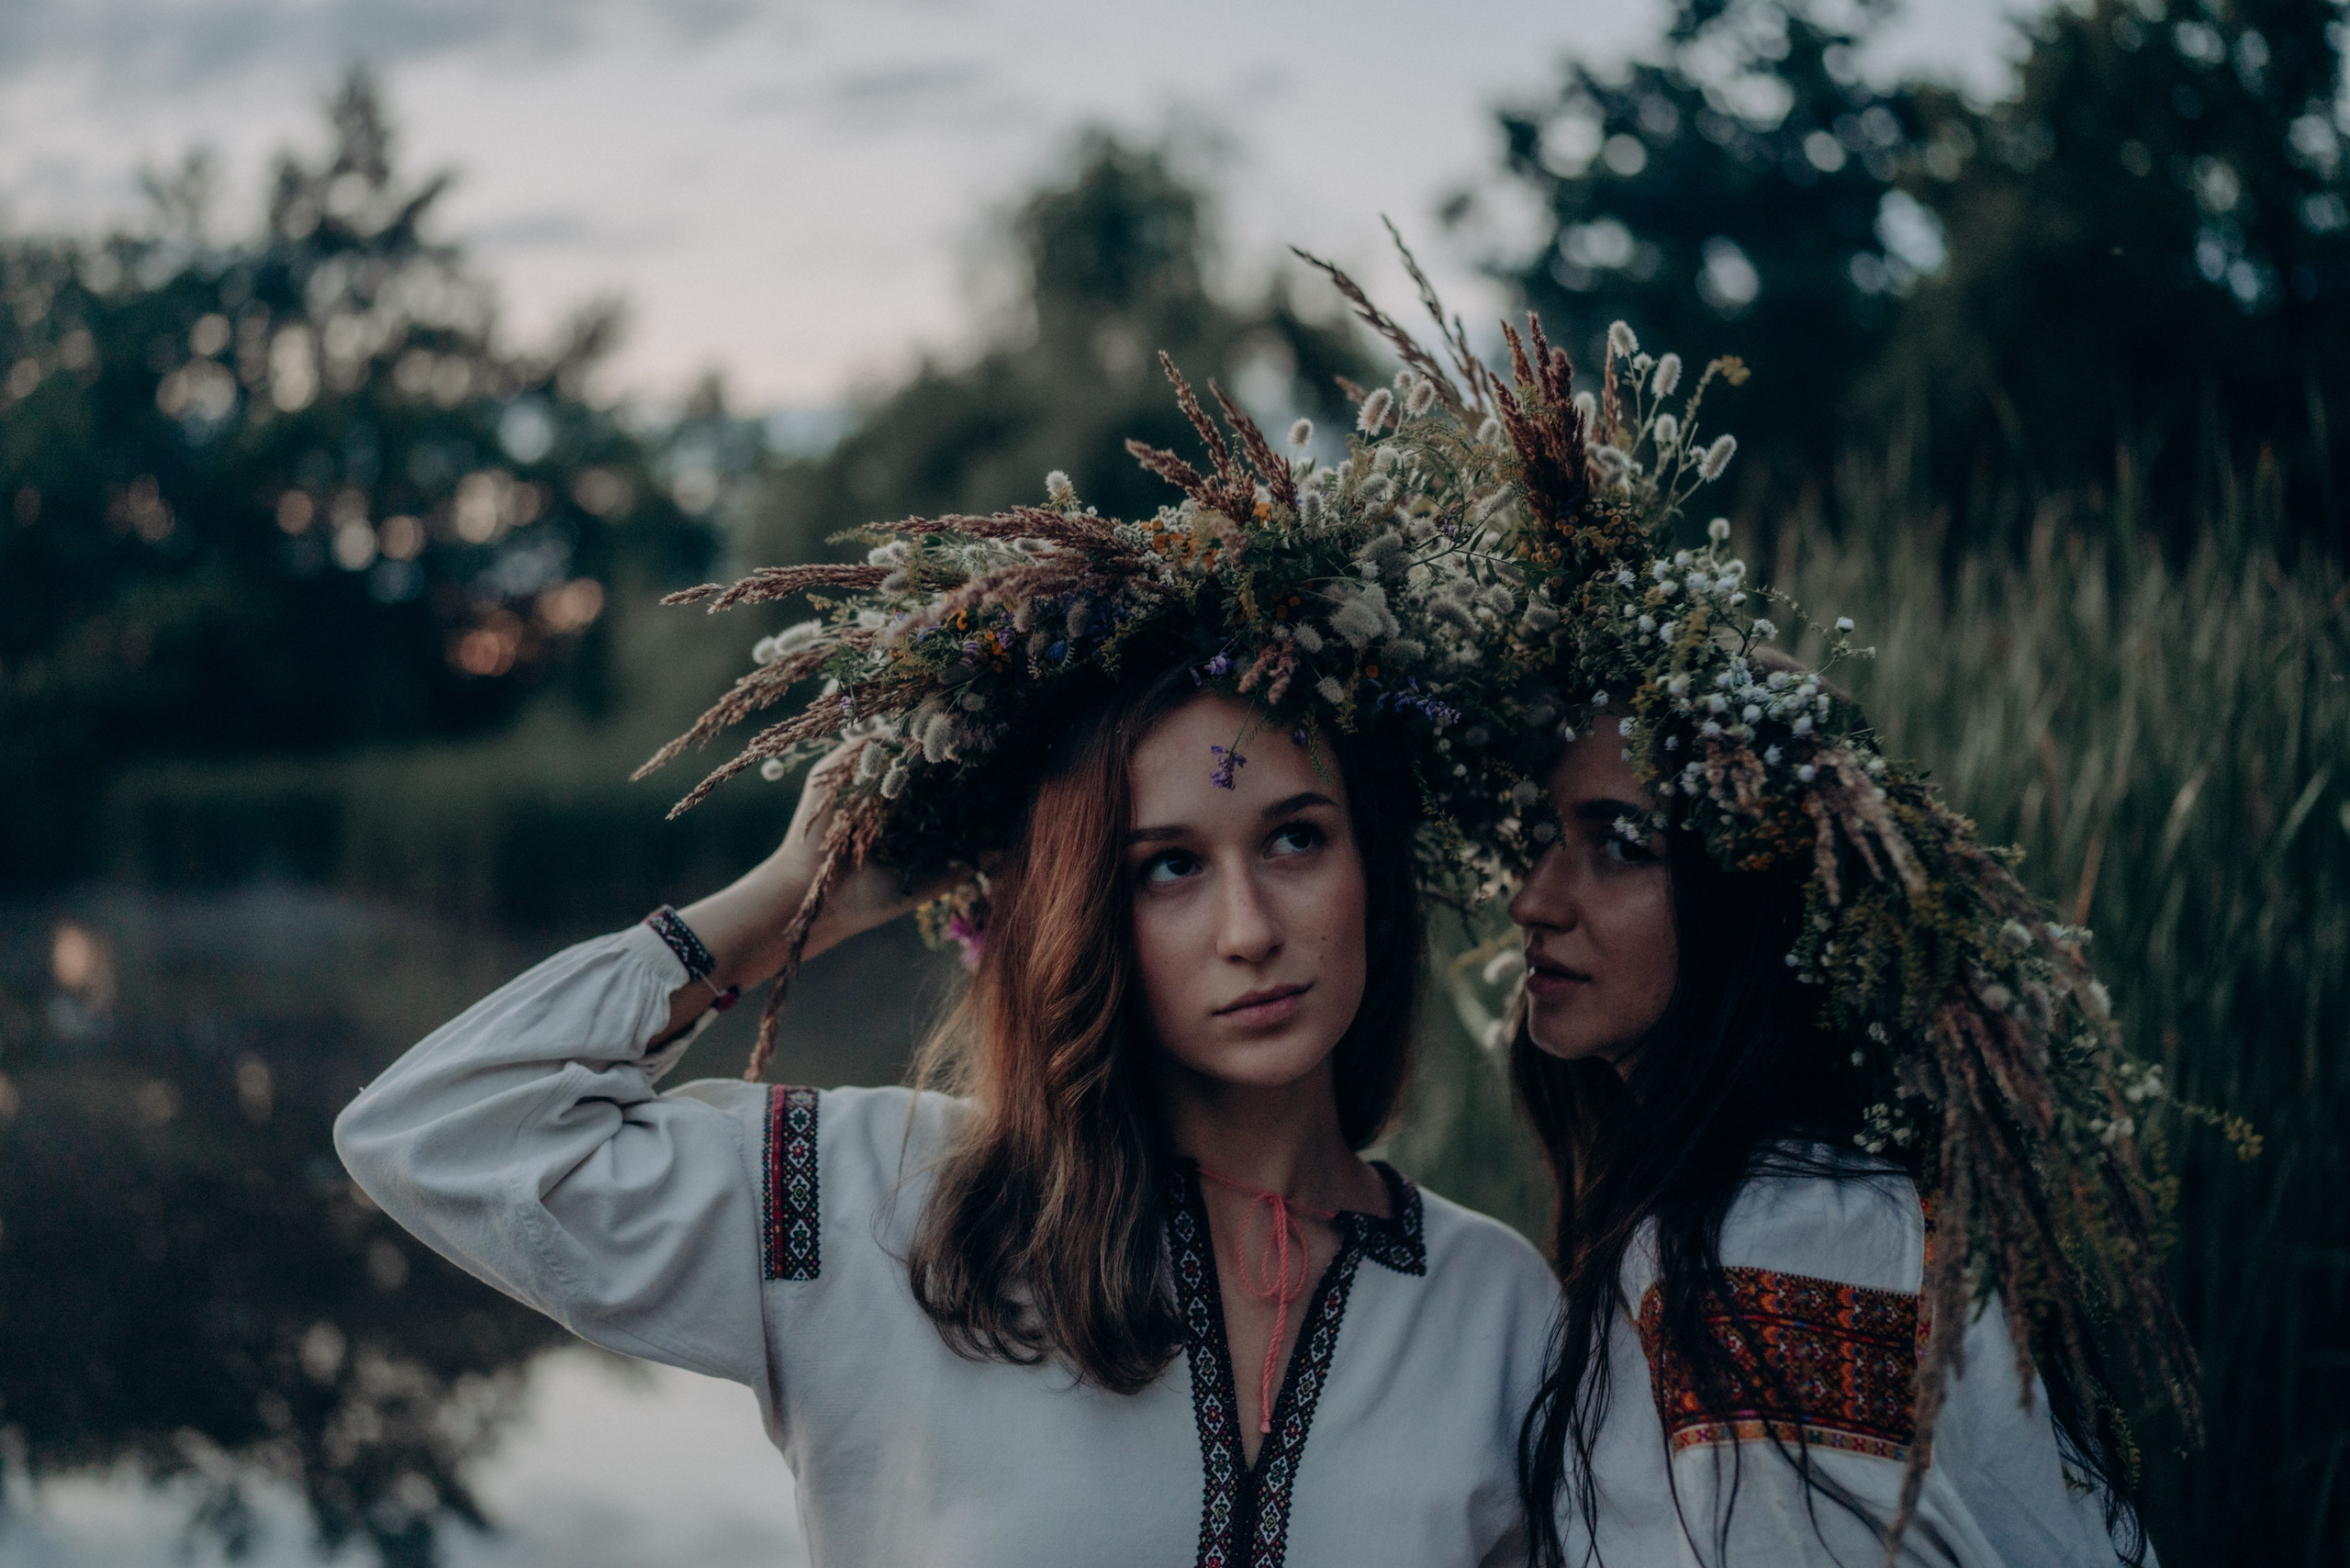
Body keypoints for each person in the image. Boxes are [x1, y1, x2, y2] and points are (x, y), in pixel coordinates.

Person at [335, 327, 1567, 1568]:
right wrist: (793, 894)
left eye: (1296, 841)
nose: (1251, 931)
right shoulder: (888, 1207)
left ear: (1372, 872)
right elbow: (437, 1136)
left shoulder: (1495, 1305)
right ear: (1083, 910)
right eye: (1170, 868)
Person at [1505, 706, 2162, 1565]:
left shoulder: (1773, 1250)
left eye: (1623, 846)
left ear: (1756, 902)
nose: (1533, 900)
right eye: (1540, 837)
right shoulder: (1789, 1211)